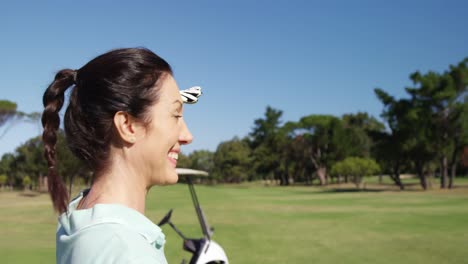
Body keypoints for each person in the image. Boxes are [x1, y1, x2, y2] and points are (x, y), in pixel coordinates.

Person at [41, 48, 199, 263]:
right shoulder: (126, 250)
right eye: (176, 115)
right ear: (128, 125)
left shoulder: (81, 217)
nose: (187, 136)